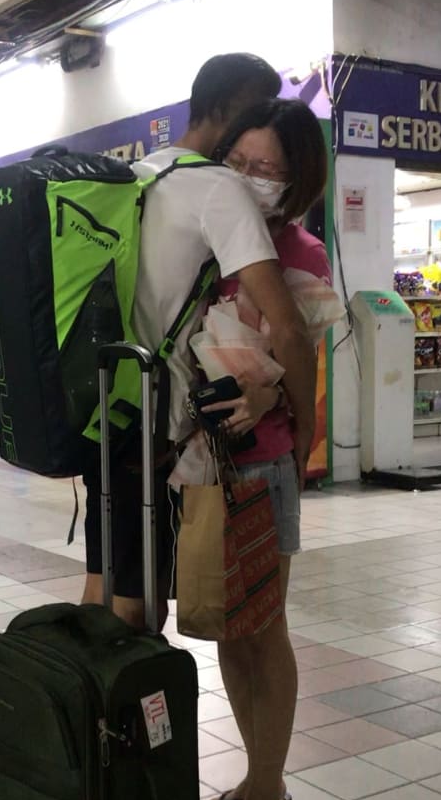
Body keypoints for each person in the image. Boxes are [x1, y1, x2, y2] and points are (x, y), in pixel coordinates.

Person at [81, 56, 317, 635]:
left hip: (102, 412)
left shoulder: (136, 176)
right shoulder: (216, 188)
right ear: (231, 110)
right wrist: (306, 432)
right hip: (155, 429)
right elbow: (287, 327)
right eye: (256, 112)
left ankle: (90, 715)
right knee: (137, 608)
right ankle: (118, 719)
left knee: (104, 584)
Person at [196, 97, 334, 800]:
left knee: (264, 629)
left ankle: (267, 798)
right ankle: (259, 781)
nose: (249, 179)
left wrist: (269, 391)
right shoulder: (214, 240)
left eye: (267, 171)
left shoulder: (300, 255)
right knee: (229, 631)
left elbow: (304, 362)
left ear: (295, 182)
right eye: (239, 164)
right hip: (211, 465)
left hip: (265, 465)